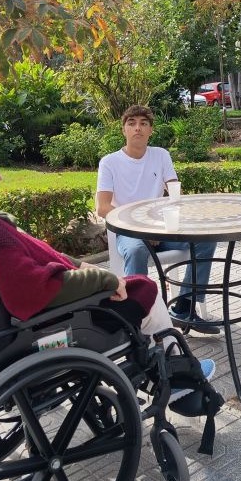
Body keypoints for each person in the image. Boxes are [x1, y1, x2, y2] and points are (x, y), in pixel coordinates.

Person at [0, 122, 214, 393]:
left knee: (130, 285)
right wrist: (104, 279)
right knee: (144, 289)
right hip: (43, 331)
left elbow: (27, 259)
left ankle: (165, 370)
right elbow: (30, 291)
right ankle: (176, 380)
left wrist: (76, 264)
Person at [96, 105, 218, 333]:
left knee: (205, 240)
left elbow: (175, 193)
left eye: (143, 123)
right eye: (131, 123)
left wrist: (162, 223)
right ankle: (138, 318)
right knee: (136, 250)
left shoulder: (161, 155)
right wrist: (142, 229)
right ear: (123, 130)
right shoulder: (109, 162)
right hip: (129, 231)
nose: (137, 128)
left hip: (163, 228)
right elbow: (102, 207)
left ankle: (184, 307)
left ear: (151, 130)